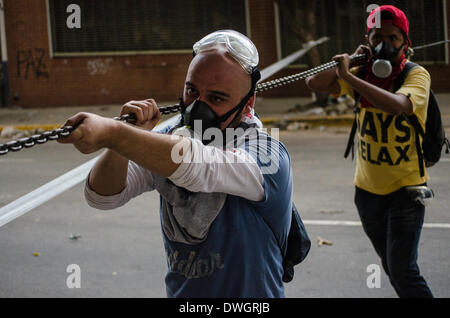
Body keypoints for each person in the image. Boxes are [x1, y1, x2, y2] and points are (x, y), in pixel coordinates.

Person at [58, 30, 294, 298]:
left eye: (216, 98)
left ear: (247, 102)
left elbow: (199, 166)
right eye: (192, 90)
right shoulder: (166, 141)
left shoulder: (268, 153)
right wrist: (122, 143)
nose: (197, 106)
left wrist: (115, 133)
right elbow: (103, 196)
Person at [305, 5, 433, 298]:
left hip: (407, 190)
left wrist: (349, 78)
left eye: (392, 38)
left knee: (403, 270)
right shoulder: (362, 73)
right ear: (368, 39)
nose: (384, 45)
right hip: (367, 192)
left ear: (406, 43)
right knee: (392, 267)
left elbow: (398, 106)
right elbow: (315, 83)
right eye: (377, 37)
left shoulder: (416, 75)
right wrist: (351, 61)